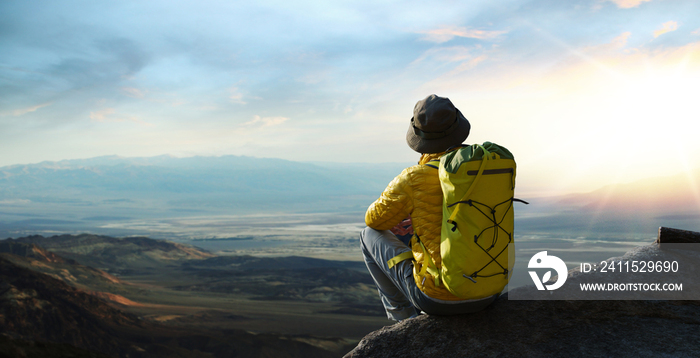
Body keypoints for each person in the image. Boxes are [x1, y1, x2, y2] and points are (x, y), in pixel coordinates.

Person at [360, 94, 499, 321]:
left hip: (438, 299)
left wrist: (408, 215)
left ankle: (402, 324)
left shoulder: (416, 178)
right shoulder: (487, 167)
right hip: (489, 291)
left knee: (368, 234)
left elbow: (373, 219)